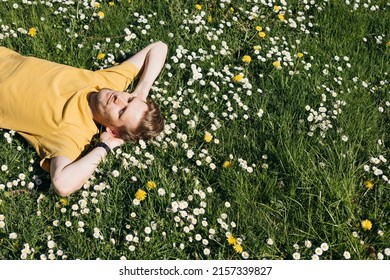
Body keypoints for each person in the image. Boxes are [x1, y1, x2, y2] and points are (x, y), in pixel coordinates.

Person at [0, 41, 167, 197]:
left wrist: (105, 146)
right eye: (129, 99)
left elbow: (62, 185)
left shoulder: (72, 132)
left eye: (121, 111)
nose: (119, 99)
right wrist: (141, 91)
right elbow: (159, 47)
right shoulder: (108, 82)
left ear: (112, 130)